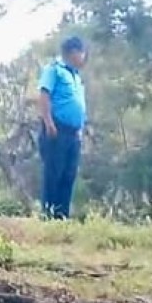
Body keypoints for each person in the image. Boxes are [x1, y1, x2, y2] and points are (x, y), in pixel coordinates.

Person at [37, 36, 88, 220]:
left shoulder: (76, 76)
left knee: (69, 174)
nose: (83, 56)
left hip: (73, 133)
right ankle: (48, 215)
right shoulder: (54, 70)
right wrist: (48, 122)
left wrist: (80, 128)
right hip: (56, 129)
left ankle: (62, 217)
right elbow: (44, 95)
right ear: (73, 52)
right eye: (82, 52)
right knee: (54, 173)